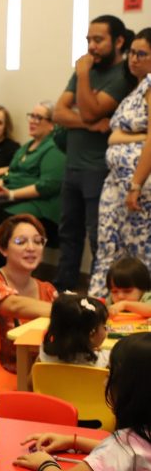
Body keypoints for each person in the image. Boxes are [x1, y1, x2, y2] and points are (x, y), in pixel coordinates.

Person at [53, 15, 135, 291]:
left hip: (98, 169)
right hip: (73, 165)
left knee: (98, 236)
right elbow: (58, 113)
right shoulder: (85, 69)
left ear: (119, 41)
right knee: (68, 233)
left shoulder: (121, 75)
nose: (91, 46)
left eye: (98, 40)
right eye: (89, 40)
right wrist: (91, 124)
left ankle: (101, 294)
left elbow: (88, 110)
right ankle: (64, 291)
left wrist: (83, 76)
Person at [13, 332, 151, 471]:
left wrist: (44, 462)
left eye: (110, 374)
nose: (105, 382)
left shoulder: (122, 447)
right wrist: (74, 441)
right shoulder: (139, 439)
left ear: (129, 389)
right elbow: (129, 453)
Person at [90, 28, 151, 297]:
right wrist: (138, 135)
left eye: (142, 54)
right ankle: (102, 306)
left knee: (139, 254)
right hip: (116, 182)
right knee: (109, 248)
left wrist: (136, 184)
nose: (134, 59)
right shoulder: (136, 89)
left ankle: (141, 310)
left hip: (140, 184)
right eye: (132, 53)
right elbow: (114, 135)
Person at [0, 214, 58, 373]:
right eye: (20, 241)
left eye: (38, 241)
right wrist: (68, 310)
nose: (31, 248)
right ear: (3, 249)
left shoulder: (48, 291)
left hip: (39, 375)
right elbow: (14, 305)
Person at [0, 101, 66, 267]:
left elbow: (47, 186)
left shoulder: (54, 148)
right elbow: (11, 173)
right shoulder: (26, 147)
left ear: (52, 124)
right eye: (32, 116)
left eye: (39, 118)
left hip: (42, 206)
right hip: (18, 200)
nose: (33, 121)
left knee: (4, 219)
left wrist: (11, 194)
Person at [39, 294, 110, 368]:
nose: (106, 329)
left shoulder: (44, 355)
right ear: (91, 333)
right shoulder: (105, 360)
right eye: (104, 326)